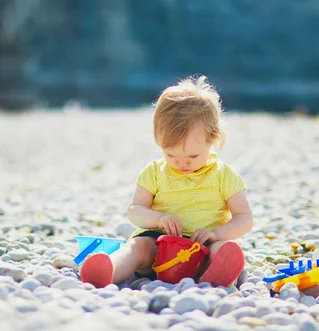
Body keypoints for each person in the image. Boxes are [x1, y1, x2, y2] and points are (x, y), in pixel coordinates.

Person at [80, 75, 253, 288]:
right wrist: (158, 219)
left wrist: (217, 233)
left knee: (221, 248)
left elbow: (244, 217)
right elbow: (135, 209)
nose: (182, 164)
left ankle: (218, 274)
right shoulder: (154, 171)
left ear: (213, 138)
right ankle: (109, 270)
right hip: (159, 249)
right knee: (138, 247)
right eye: (171, 155)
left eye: (192, 157)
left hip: (202, 246)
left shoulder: (224, 175)